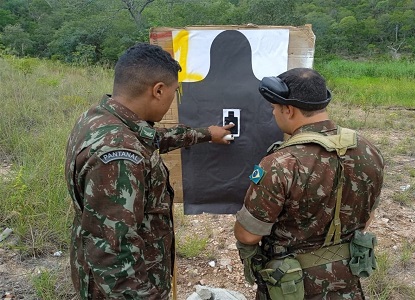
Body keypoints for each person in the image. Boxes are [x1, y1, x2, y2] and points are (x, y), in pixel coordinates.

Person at [65, 43, 233, 300]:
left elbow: (151, 138)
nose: (172, 99)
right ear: (158, 90)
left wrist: (207, 134)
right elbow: (115, 255)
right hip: (126, 288)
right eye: (174, 93)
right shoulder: (119, 155)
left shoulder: (101, 119)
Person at [234, 68, 384, 299]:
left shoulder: (280, 164)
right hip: (346, 281)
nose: (274, 114)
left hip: (291, 286)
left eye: (275, 108)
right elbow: (367, 217)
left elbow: (248, 236)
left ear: (288, 109)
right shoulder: (368, 150)